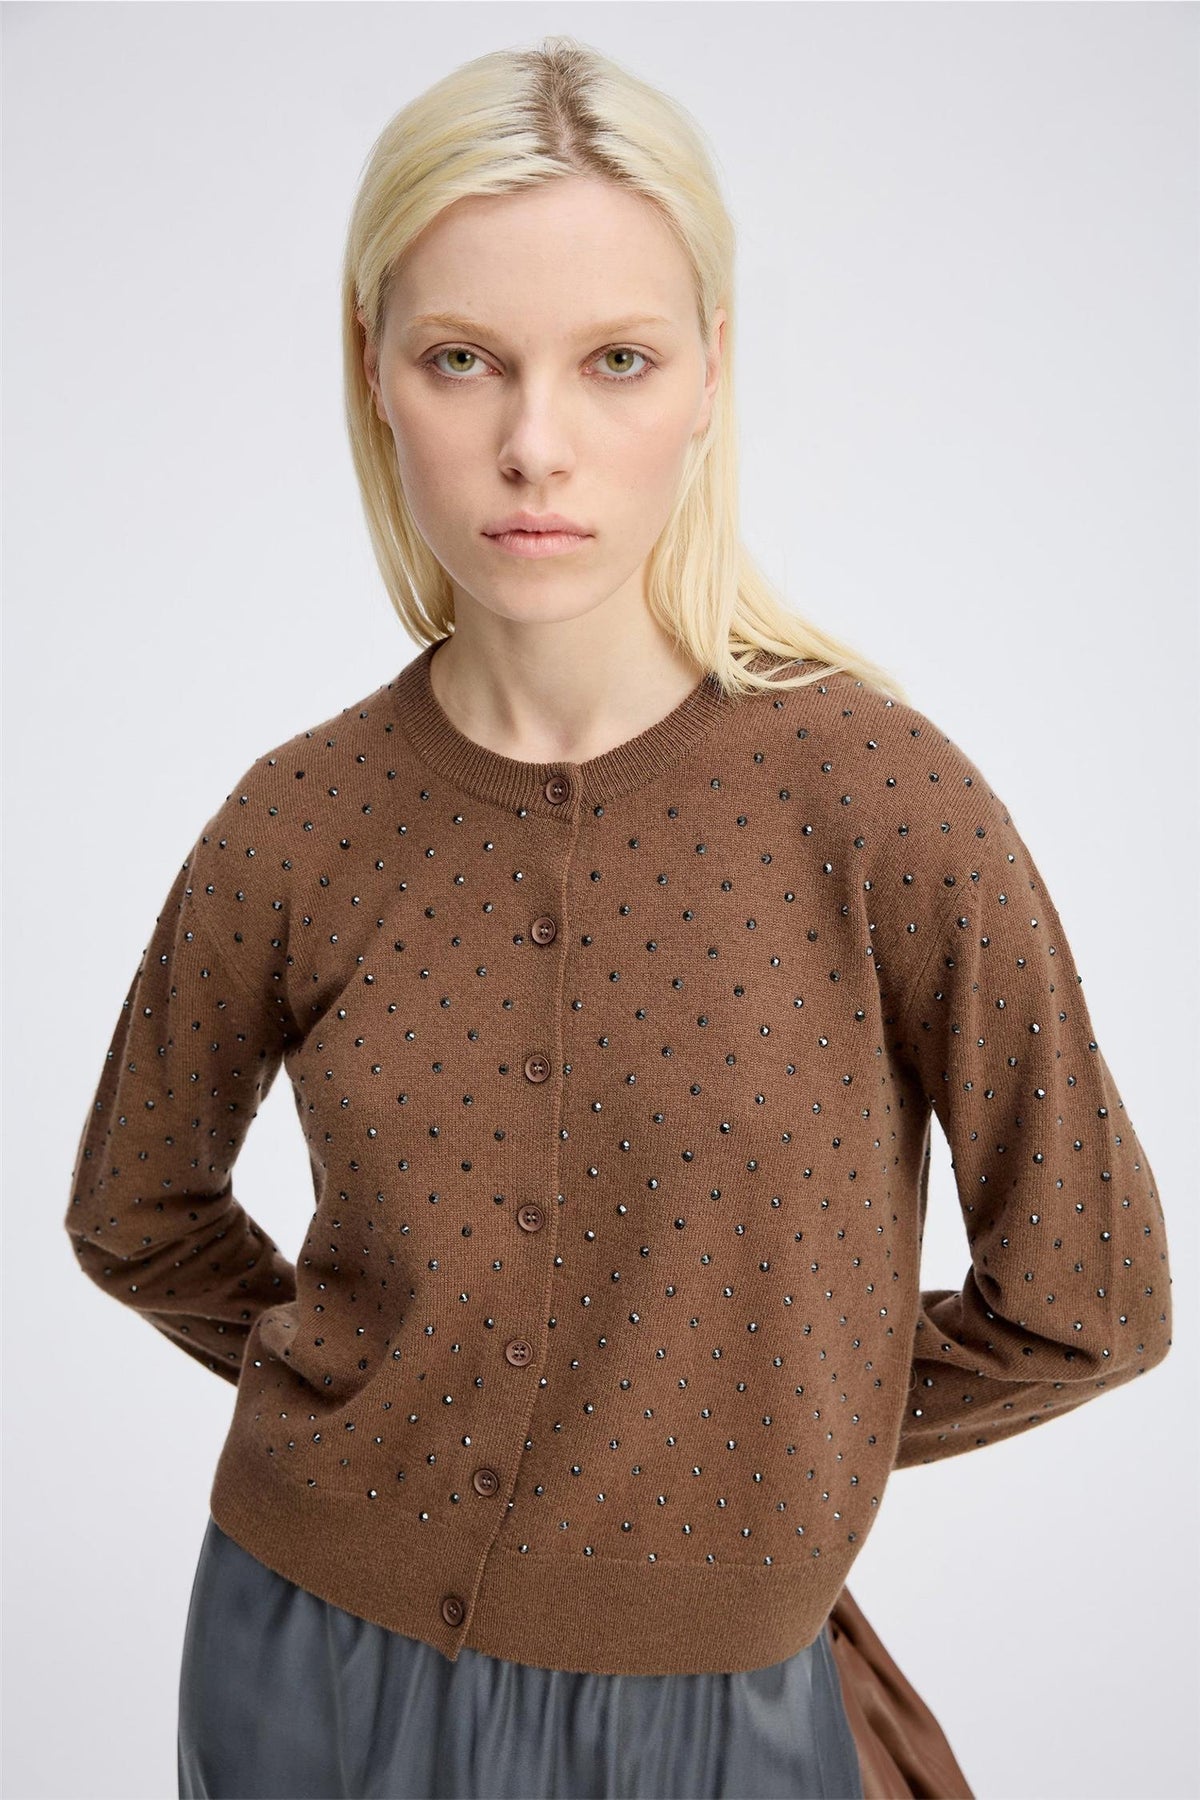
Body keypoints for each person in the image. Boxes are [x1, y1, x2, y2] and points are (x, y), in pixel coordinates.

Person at [64, 34, 1171, 1800]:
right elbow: (134, 1212)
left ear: (712, 372)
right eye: (463, 360)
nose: (535, 445)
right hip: (301, 1661)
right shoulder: (299, 820)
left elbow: (1091, 1298)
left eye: (617, 361)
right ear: (373, 374)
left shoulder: (883, 806)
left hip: (707, 1696)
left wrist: (746, 1465)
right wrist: (376, 1419)